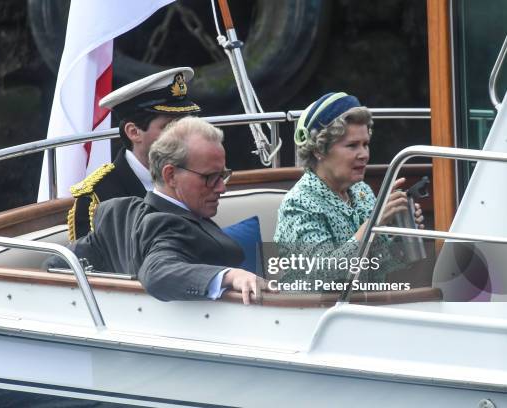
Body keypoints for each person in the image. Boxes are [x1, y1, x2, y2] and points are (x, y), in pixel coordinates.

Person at [68, 117, 265, 304]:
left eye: (223, 175)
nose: (221, 187)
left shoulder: (118, 213)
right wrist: (231, 276)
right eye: (210, 177)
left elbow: (60, 262)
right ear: (170, 175)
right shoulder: (167, 225)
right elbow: (157, 272)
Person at [273, 92, 424, 282]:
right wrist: (373, 224)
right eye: (352, 146)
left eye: (365, 144)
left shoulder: (362, 191)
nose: (364, 154)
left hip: (363, 306)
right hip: (314, 311)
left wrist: (402, 233)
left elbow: (379, 268)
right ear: (319, 150)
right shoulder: (298, 204)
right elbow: (322, 276)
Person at [67, 67, 201, 240]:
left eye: (186, 124)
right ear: (134, 132)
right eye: (169, 127)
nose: (184, 135)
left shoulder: (196, 174)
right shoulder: (98, 197)